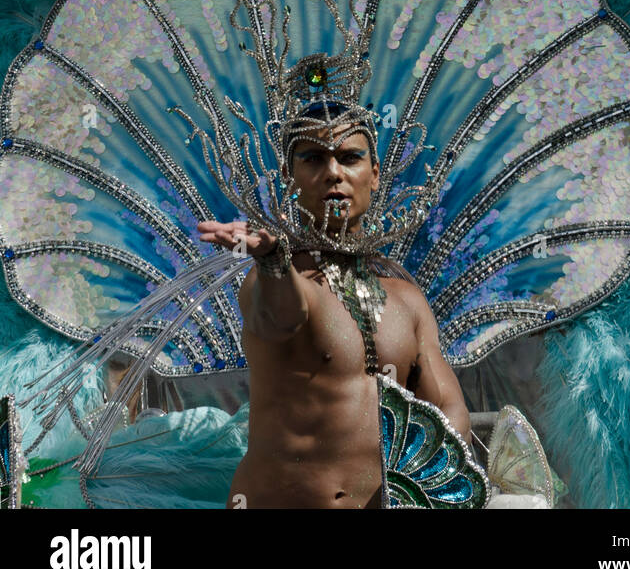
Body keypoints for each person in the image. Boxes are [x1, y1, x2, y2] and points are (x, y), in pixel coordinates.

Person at [198, 108, 472, 508]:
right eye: (312, 159)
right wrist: (273, 259)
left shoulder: (407, 300)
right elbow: (280, 317)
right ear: (290, 181)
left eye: (349, 157)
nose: (332, 172)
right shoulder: (274, 281)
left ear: (374, 173)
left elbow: (448, 409)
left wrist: (432, 486)